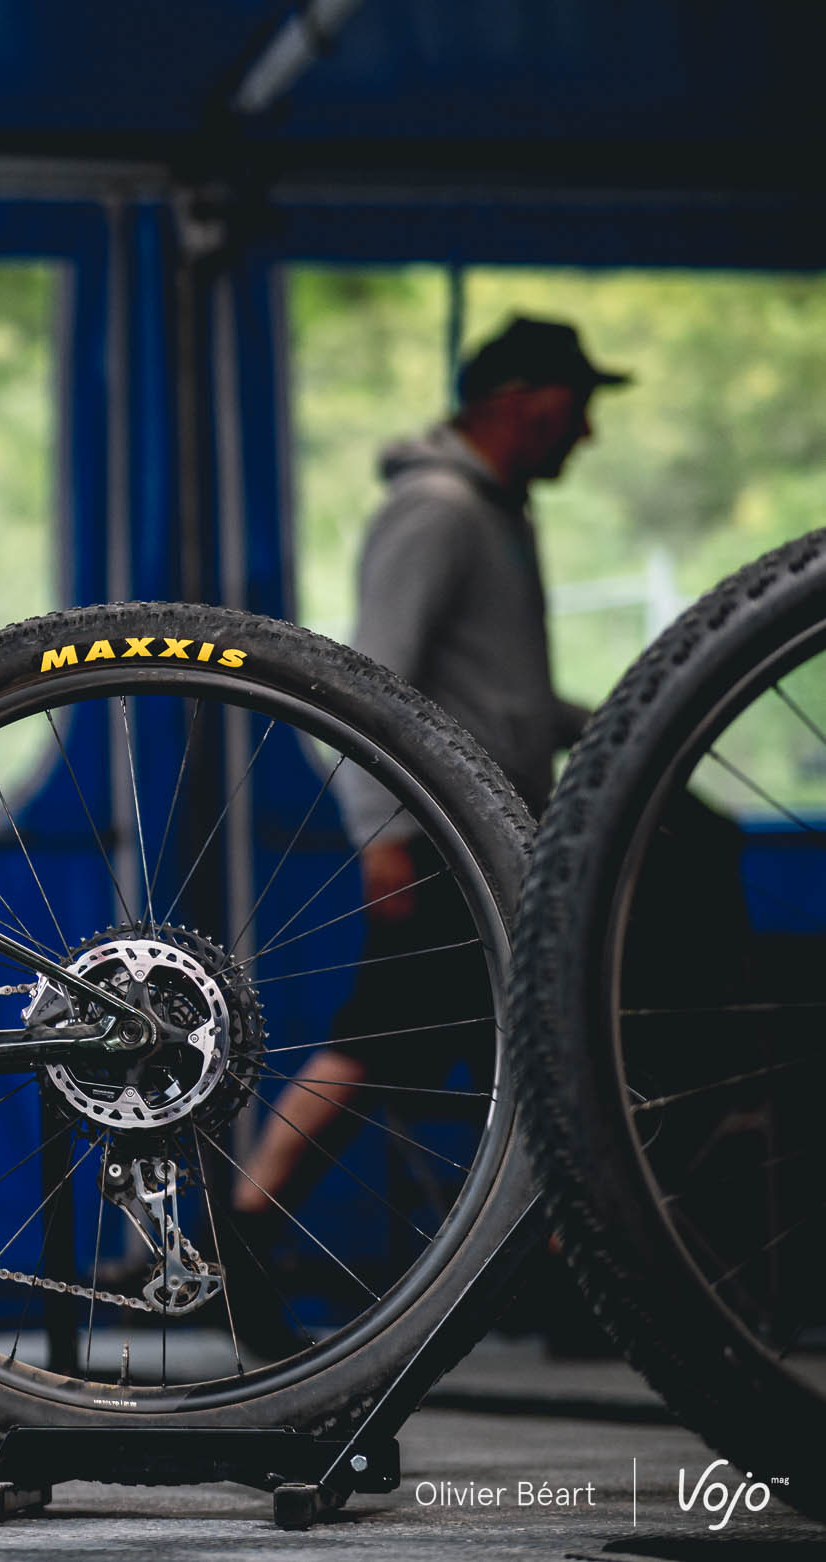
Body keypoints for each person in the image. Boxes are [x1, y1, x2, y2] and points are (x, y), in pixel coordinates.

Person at [226, 317, 628, 1352]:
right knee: (381, 1041)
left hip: (497, 840)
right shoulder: (437, 512)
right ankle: (242, 1233)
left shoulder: (494, 512)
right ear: (521, 401)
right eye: (576, 406)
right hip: (449, 840)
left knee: (514, 1046)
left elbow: (500, 695)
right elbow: (371, 683)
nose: (585, 432)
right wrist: (384, 831)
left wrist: (626, 728)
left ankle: (548, 1263)